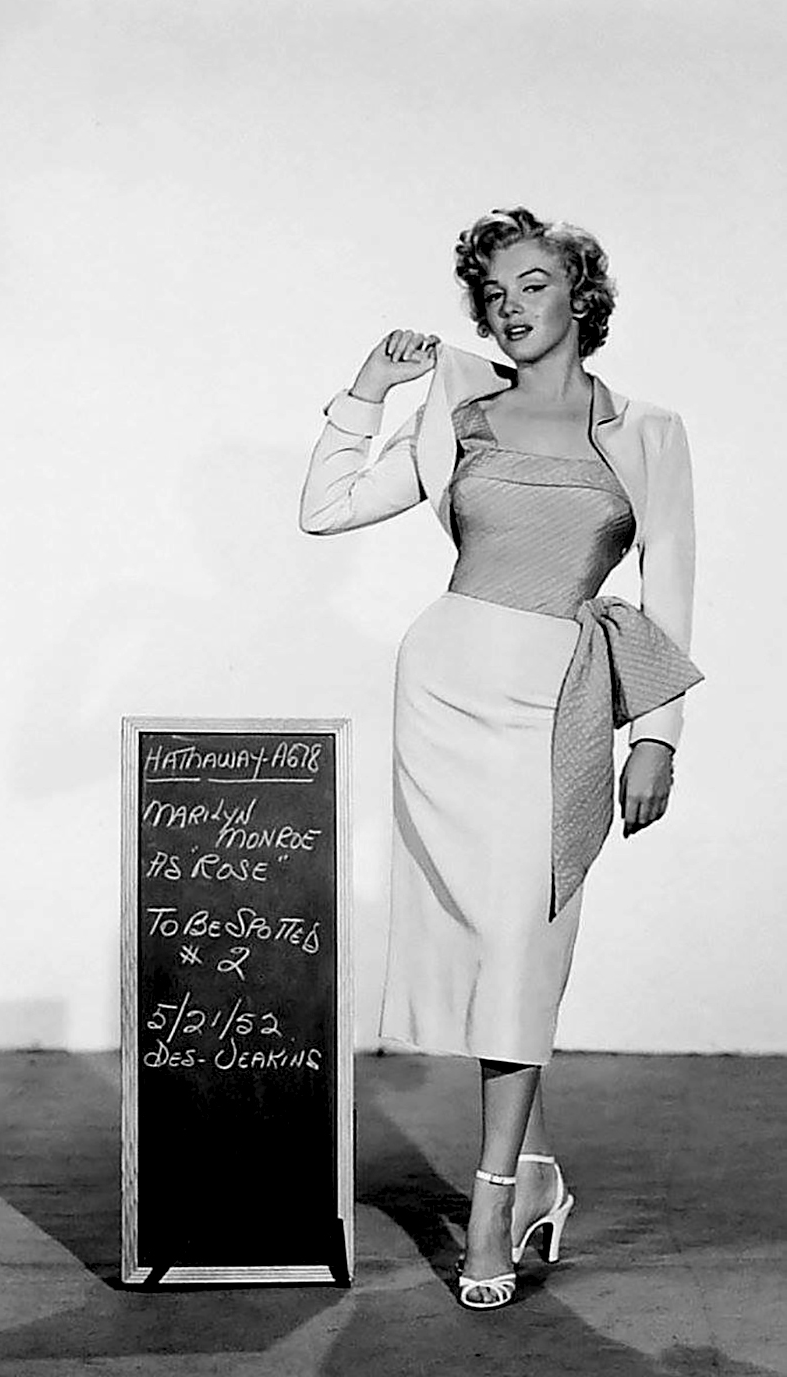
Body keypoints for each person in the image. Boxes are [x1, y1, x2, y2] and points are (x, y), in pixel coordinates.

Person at [299, 206, 703, 1310]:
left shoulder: (647, 430)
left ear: (581, 293)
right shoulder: (458, 410)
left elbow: (668, 584)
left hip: (558, 705)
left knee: (526, 939)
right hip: (444, 690)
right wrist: (367, 391)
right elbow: (324, 509)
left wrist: (656, 735)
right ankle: (530, 1172)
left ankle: (492, 1200)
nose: (509, 307)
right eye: (492, 293)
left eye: (531, 284)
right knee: (487, 948)